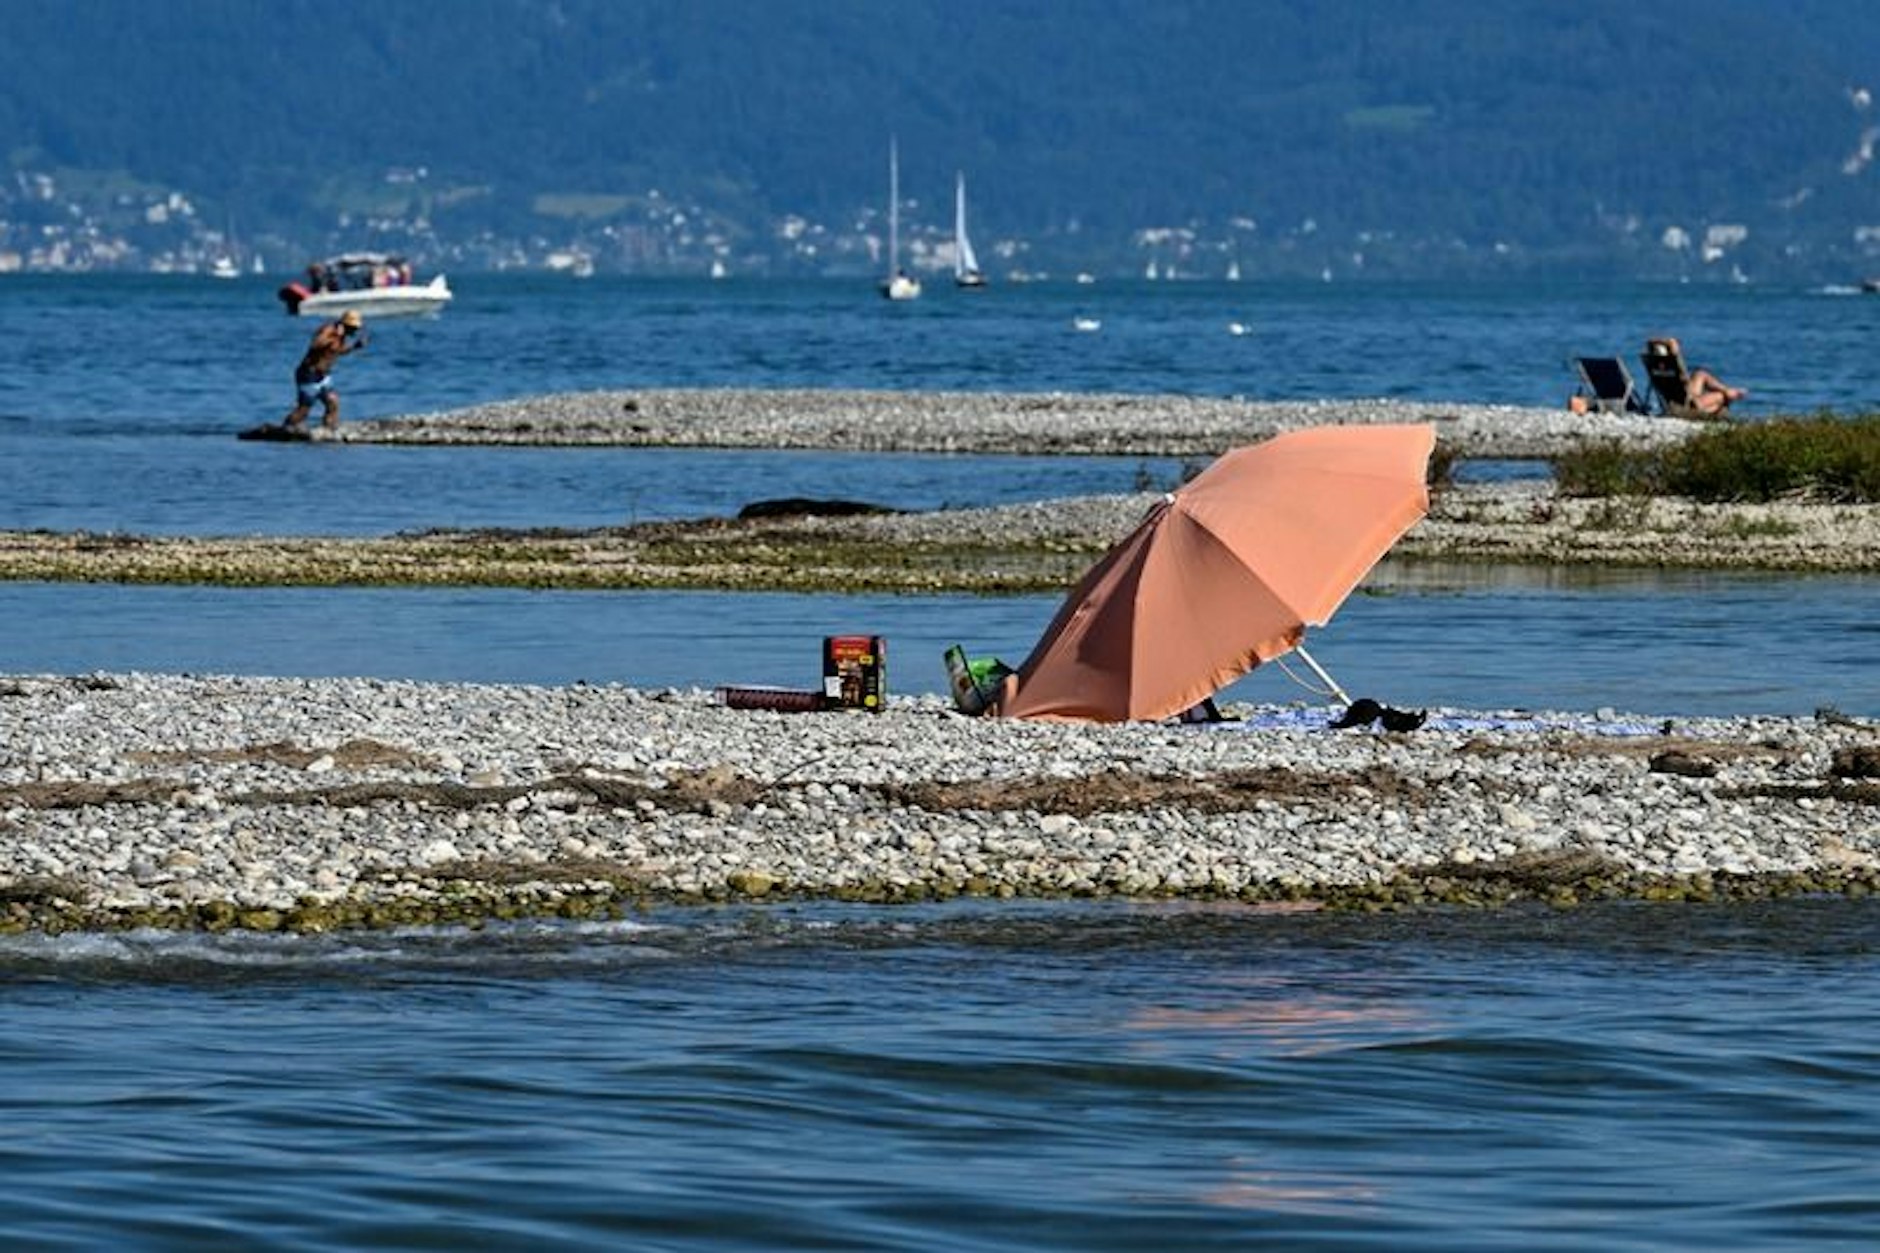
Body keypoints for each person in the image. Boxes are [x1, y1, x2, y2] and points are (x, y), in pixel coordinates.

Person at [283, 309, 367, 431]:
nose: (355, 331)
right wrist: (334, 337)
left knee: (333, 403)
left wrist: (354, 347)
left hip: (323, 376)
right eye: (353, 328)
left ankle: (328, 430)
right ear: (345, 324)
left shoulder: (342, 336)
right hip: (309, 374)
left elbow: (337, 351)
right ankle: (285, 428)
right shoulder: (329, 330)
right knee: (303, 410)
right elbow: (315, 344)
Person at [1644, 336, 1745, 418]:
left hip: (1681, 397)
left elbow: (1650, 342)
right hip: (1686, 405)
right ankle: (1729, 393)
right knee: (1722, 396)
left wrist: (1664, 342)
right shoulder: (1675, 366)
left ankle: (1727, 390)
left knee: (1700, 373)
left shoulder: (1654, 364)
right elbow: (1675, 354)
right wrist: (1672, 344)